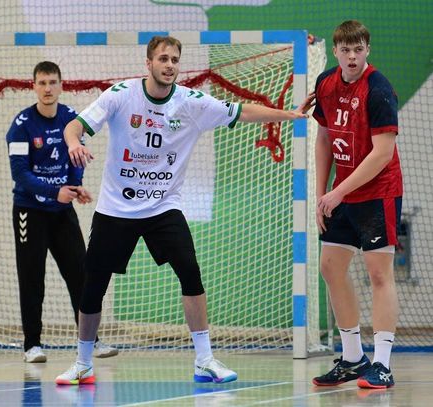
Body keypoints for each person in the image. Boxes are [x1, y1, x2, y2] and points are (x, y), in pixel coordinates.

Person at [54, 36, 314, 385]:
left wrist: (290, 115)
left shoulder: (191, 103)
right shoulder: (121, 95)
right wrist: (74, 142)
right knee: (93, 285)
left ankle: (204, 360)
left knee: (190, 273)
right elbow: (75, 126)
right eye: (163, 58)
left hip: (163, 206)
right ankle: (83, 362)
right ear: (148, 63)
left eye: (175, 59)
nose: (170, 65)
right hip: (117, 208)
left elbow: (242, 111)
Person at [6, 61, 118, 363]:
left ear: (61, 85)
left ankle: (91, 341)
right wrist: (54, 190)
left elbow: (76, 159)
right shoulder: (21, 125)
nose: (47, 89)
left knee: (81, 274)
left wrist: (75, 186)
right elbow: (20, 174)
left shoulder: (70, 119)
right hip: (29, 211)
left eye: (52, 82)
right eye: (42, 83)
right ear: (33, 86)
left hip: (62, 211)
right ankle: (32, 345)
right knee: (32, 277)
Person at [311, 20, 402, 389]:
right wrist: (321, 193)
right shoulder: (326, 83)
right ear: (336, 51)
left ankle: (382, 365)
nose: (352, 56)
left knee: (379, 274)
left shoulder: (378, 90)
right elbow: (323, 138)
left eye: (358, 49)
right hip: (342, 193)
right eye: (346, 50)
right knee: (331, 267)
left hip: (378, 193)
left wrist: (339, 192)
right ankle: (352, 358)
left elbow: (382, 154)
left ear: (368, 50)